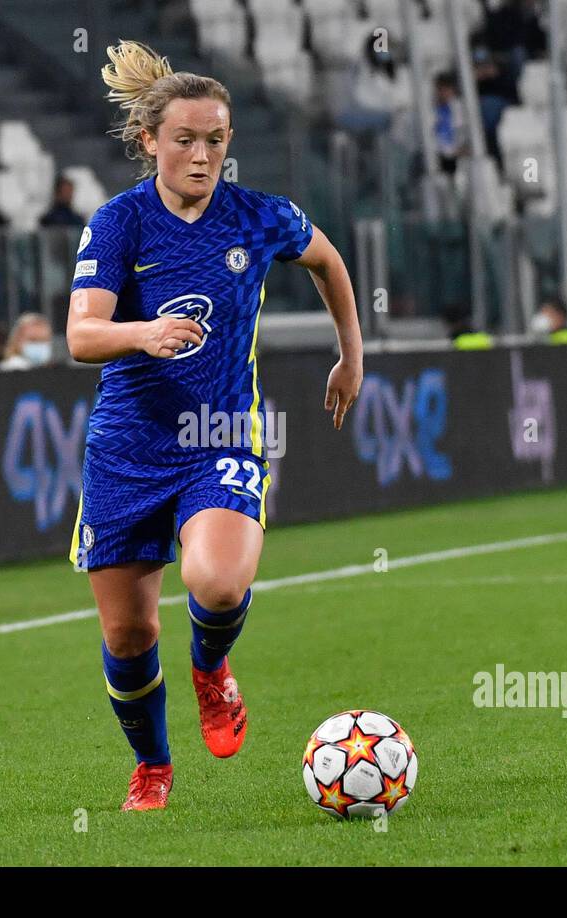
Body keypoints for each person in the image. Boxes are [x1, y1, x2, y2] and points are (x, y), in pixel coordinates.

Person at [66, 41, 363, 812]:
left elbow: (329, 262)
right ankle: (153, 768)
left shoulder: (259, 216)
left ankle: (210, 668)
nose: (202, 156)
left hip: (218, 437)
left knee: (218, 581)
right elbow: (80, 336)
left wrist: (350, 355)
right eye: (186, 141)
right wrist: (143, 332)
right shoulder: (119, 224)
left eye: (216, 140)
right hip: (128, 449)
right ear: (150, 142)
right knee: (129, 639)